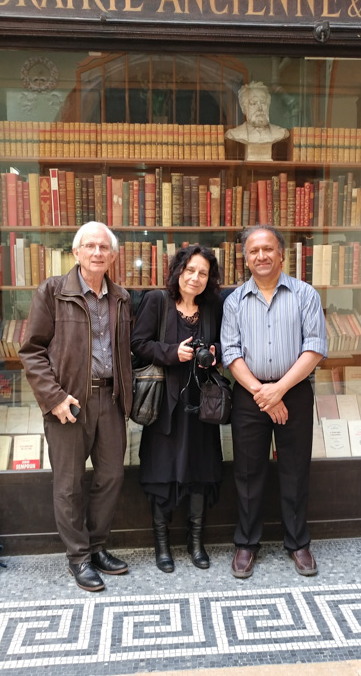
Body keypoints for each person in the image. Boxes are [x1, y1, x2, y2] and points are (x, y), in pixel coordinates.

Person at [19, 221, 132, 592]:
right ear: (76, 252)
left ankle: (97, 547)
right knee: (69, 483)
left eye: (104, 247)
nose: (97, 252)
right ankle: (78, 557)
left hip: (111, 400)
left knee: (111, 476)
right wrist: (53, 398)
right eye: (90, 246)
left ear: (113, 255)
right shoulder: (52, 291)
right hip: (68, 403)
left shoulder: (121, 297)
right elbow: (31, 351)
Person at [221, 226, 327, 579]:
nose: (261, 256)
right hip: (250, 394)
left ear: (282, 254)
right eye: (254, 251)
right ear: (246, 257)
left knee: (294, 470)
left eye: (268, 249)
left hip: (293, 391)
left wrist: (279, 389)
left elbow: (314, 348)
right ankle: (246, 544)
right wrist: (263, 393)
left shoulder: (305, 294)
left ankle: (298, 543)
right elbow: (231, 353)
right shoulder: (234, 300)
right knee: (248, 472)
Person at [131, 245, 223, 573]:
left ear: (210, 279)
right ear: (178, 272)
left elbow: (224, 346)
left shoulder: (212, 307)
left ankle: (196, 542)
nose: (195, 278)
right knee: (161, 472)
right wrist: (173, 353)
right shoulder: (157, 301)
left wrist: (214, 352)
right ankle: (162, 545)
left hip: (202, 406)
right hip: (164, 406)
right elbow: (138, 343)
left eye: (203, 273)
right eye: (190, 271)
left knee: (200, 471)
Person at [225, 81, 288, 161]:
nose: (260, 108)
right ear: (244, 108)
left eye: (263, 103)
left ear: (268, 106)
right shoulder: (233, 134)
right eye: (253, 103)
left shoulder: (281, 133)